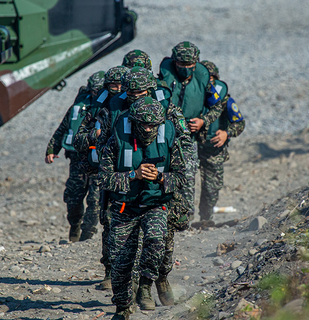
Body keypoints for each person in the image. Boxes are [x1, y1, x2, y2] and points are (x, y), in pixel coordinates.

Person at [99, 97, 186, 319]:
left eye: (153, 125)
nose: (148, 128)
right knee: (119, 265)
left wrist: (160, 177)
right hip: (124, 209)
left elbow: (181, 178)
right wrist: (132, 175)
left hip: (155, 204)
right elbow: (104, 179)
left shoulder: (168, 138)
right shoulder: (116, 140)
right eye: (144, 124)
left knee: (156, 241)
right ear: (134, 122)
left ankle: (146, 284)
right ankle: (123, 307)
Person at [73, 65, 129, 290]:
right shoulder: (98, 108)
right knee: (107, 222)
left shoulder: (135, 107)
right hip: (105, 173)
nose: (116, 89)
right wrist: (92, 135)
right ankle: (110, 272)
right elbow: (78, 139)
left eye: (120, 85)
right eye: (111, 86)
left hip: (131, 172)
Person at [158, 41, 222, 222]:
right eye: (181, 65)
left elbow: (217, 106)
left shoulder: (203, 79)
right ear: (174, 62)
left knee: (187, 173)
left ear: (195, 64)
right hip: (165, 133)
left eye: (189, 65)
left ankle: (186, 216)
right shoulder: (164, 77)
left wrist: (203, 121)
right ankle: (164, 213)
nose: (185, 69)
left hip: (189, 135)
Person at [45, 71, 105, 242]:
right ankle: (75, 227)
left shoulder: (109, 107)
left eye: (98, 91)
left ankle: (86, 236)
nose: (95, 94)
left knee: (95, 201)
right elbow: (63, 129)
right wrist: (51, 150)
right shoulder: (78, 106)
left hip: (99, 162)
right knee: (73, 198)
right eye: (92, 90)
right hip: (78, 159)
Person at [194, 60, 245, 225]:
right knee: (184, 183)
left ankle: (205, 219)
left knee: (212, 186)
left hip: (213, 148)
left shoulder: (225, 99)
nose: (209, 82)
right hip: (191, 145)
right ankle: (183, 221)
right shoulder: (191, 96)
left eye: (212, 79)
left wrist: (226, 133)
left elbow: (239, 123)